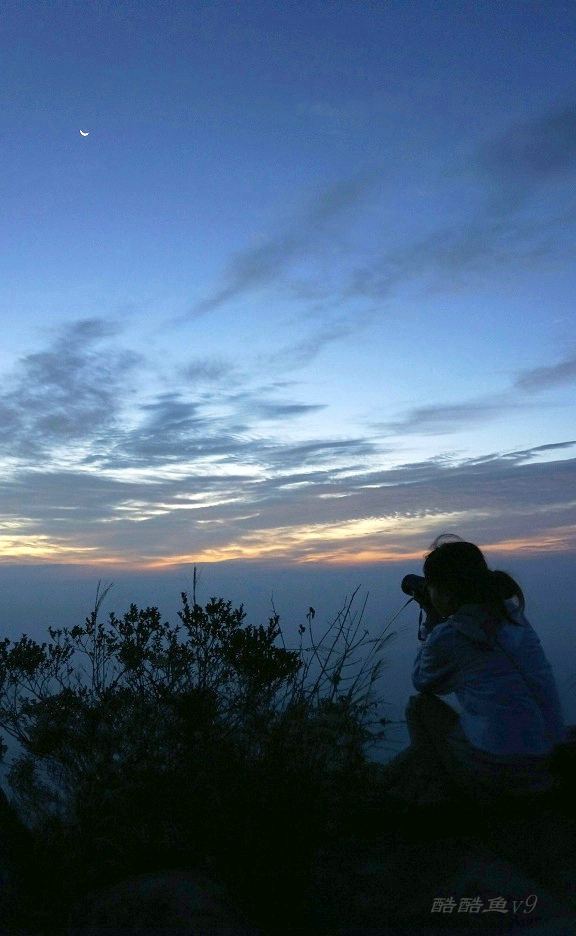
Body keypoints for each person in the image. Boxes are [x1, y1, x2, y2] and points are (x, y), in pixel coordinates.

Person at [384, 535, 566, 805]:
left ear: (444, 592)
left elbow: (423, 681)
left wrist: (432, 621)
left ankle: (447, 795)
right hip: (547, 759)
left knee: (419, 706)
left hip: (502, 770)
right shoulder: (513, 615)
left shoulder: (451, 635)